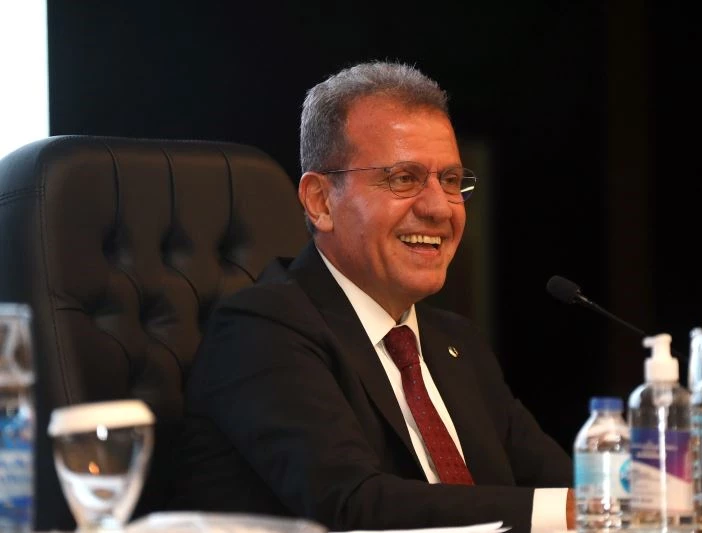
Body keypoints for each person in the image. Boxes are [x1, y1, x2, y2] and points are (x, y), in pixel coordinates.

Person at [169, 60, 574, 532]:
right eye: (403, 178)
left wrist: (620, 495)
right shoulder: (261, 330)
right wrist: (576, 512)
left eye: (450, 181)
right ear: (321, 201)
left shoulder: (456, 342)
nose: (439, 208)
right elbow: (352, 506)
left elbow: (561, 483)